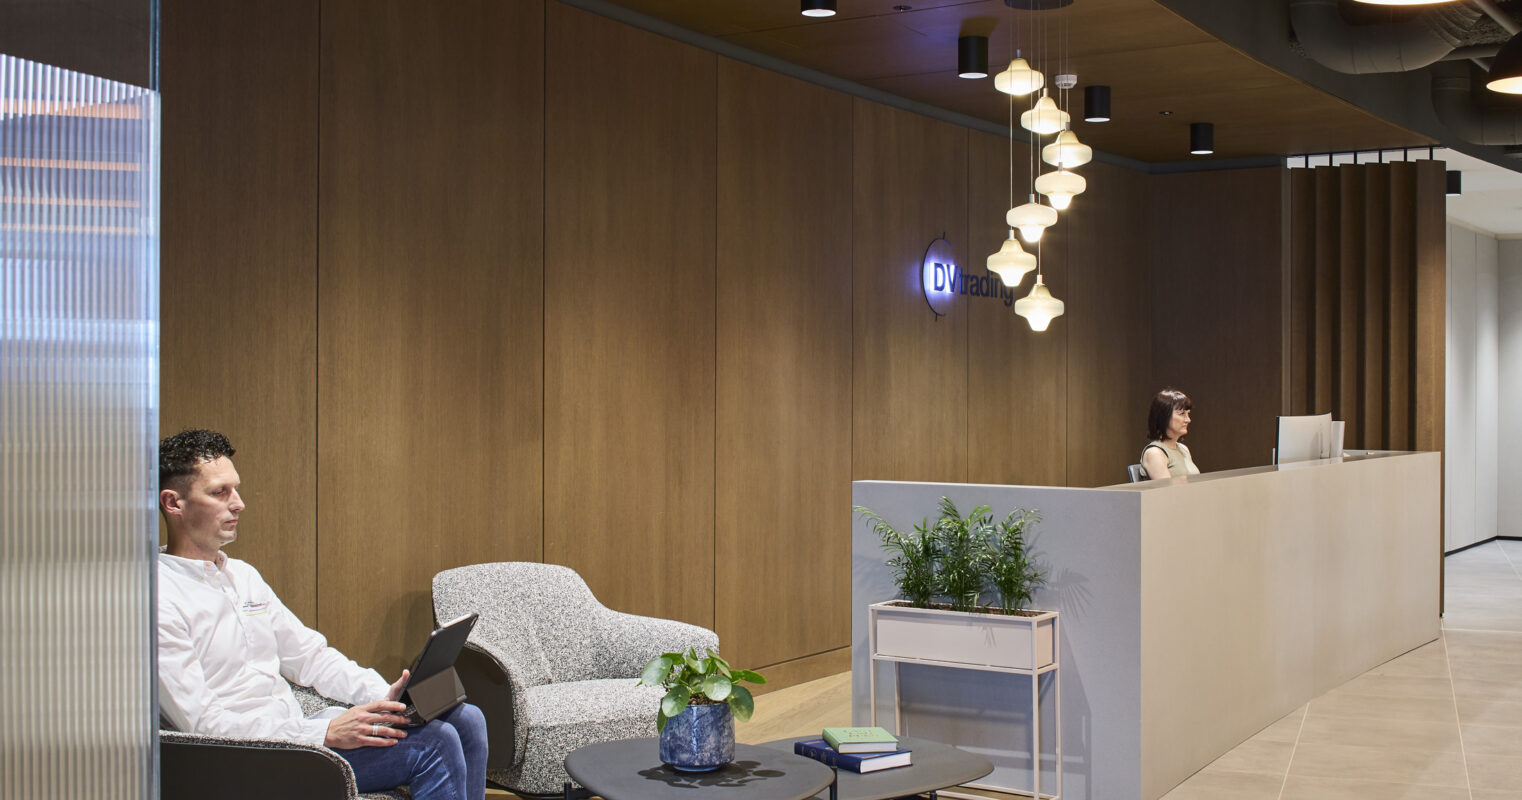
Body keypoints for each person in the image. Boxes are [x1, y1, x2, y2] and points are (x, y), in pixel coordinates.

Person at [156, 429, 487, 800]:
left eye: (236, 489)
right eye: (220, 492)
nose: (239, 503)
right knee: (435, 743)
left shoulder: (243, 576)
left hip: (296, 737)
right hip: (244, 758)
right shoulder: (157, 597)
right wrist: (321, 735)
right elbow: (202, 723)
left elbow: (311, 657)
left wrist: (388, 698)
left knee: (466, 719)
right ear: (173, 503)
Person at [1141, 388, 1201, 479]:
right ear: (1164, 417)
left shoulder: (1183, 449)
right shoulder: (1154, 453)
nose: (1188, 420)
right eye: (1181, 414)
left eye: (1188, 414)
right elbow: (1167, 492)